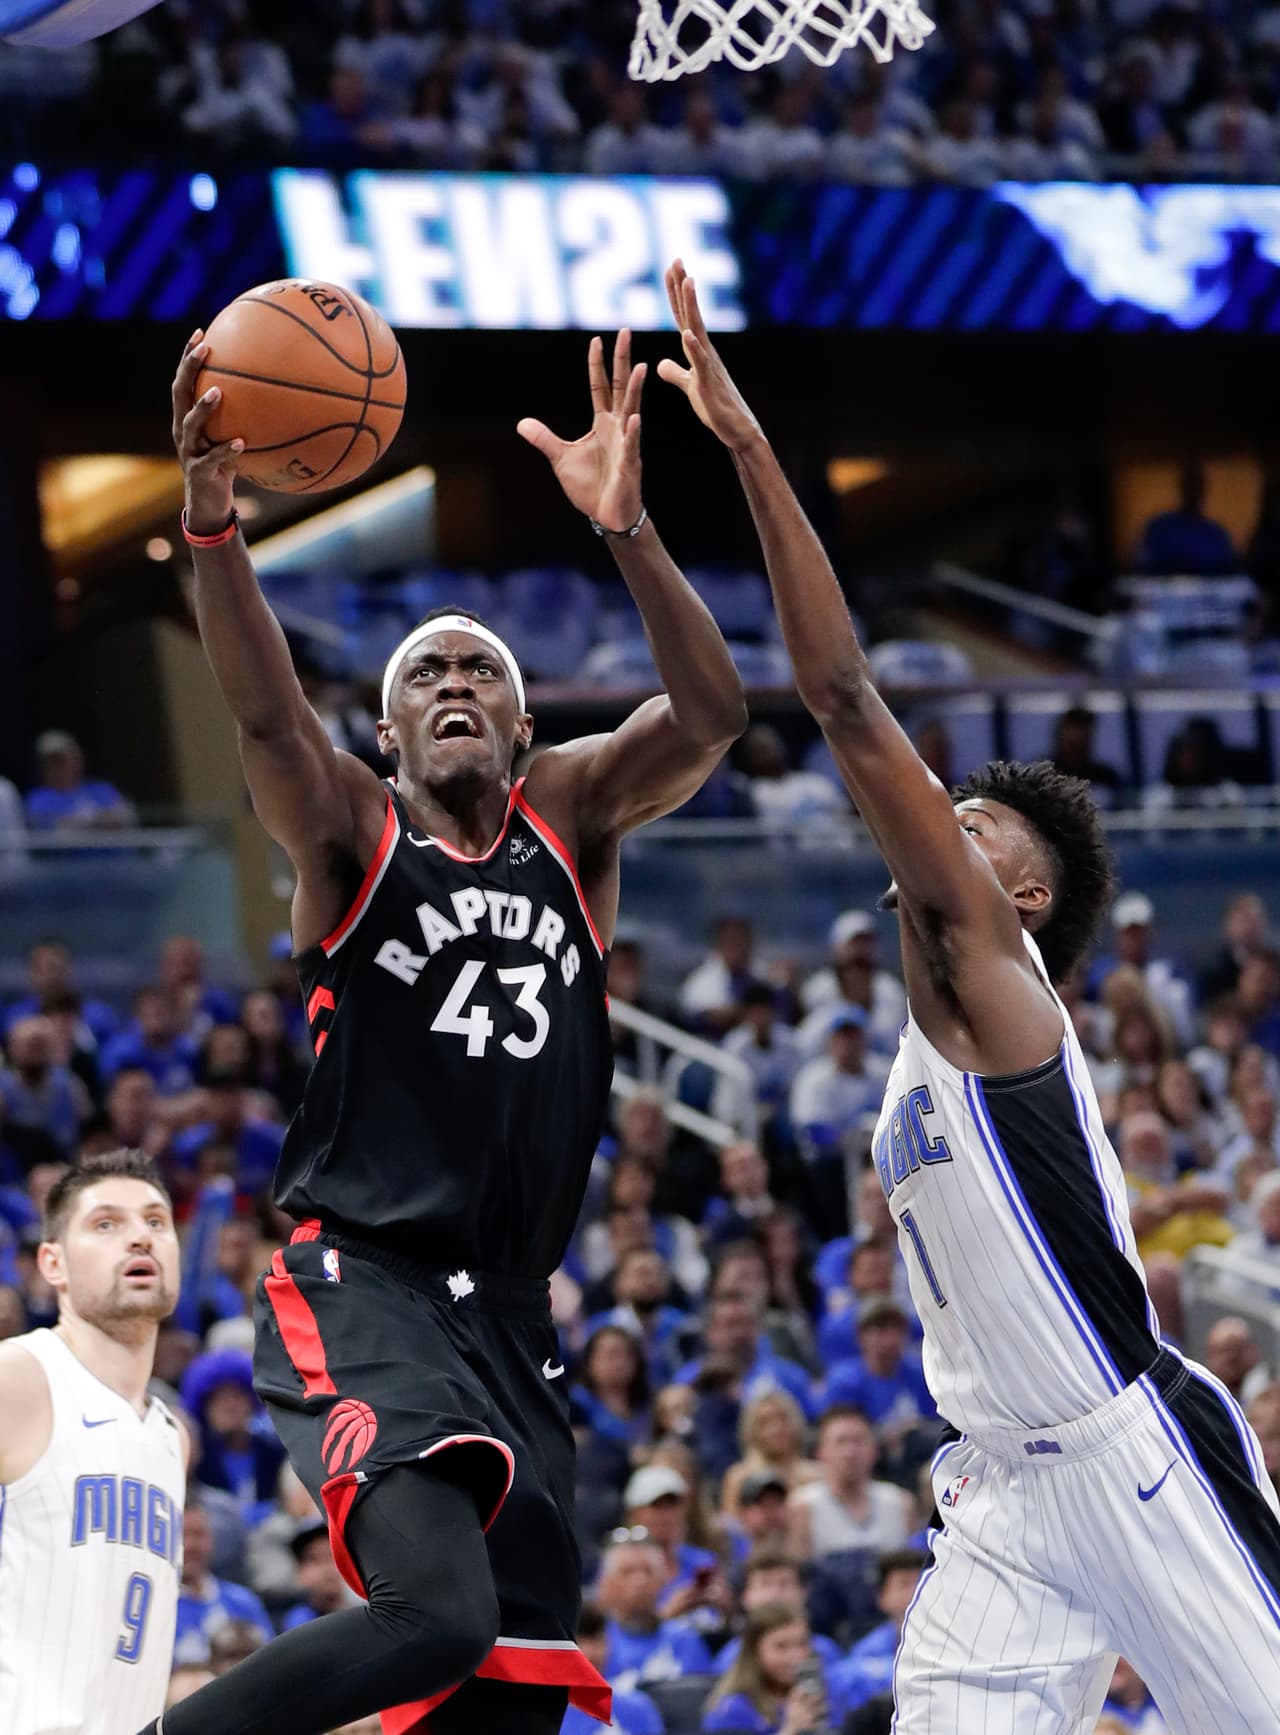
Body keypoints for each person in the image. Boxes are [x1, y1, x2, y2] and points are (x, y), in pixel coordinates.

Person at [657, 258, 1280, 1730]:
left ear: (1024, 899)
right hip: (1000, 1480)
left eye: (975, 824)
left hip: (1135, 1454)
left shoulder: (999, 997)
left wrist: (749, 450)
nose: (944, 818)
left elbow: (843, 699)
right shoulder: (919, 1040)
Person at [154, 321, 746, 1735]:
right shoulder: (352, 835)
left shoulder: (577, 820)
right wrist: (213, 523)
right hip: (361, 1272)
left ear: (530, 730)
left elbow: (715, 707)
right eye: (427, 677)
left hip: (514, 1313)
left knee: (504, 1698)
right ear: (389, 741)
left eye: (482, 670)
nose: (457, 684)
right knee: (437, 1610)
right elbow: (262, 714)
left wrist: (632, 527)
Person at [0, 1151, 187, 1735]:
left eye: (156, 1222)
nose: (139, 1238)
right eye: (106, 1224)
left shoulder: (172, 1438)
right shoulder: (20, 1377)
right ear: (52, 1263)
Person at [786, 1406, 914, 1563]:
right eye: (841, 1442)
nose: (850, 1452)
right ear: (821, 1452)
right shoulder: (804, 1506)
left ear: (875, 1450)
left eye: (858, 1441)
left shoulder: (900, 1503)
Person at [701, 1602, 827, 1734]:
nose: (797, 1656)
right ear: (754, 1651)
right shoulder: (731, 1709)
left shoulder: (825, 1697)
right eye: (781, 1646)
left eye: (803, 1643)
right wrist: (792, 1729)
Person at [23, 729, 136, 831]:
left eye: (62, 761)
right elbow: (59, 831)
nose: (56, 769)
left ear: (77, 760)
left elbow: (125, 818)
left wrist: (86, 821)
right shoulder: (38, 799)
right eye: (50, 763)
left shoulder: (101, 789)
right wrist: (98, 820)